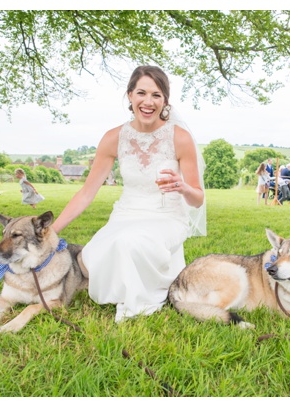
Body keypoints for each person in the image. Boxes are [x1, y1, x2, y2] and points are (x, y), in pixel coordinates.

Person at [51, 66, 205, 323]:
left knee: (128, 244)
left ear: (165, 100)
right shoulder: (113, 138)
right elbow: (87, 192)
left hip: (166, 217)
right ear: (130, 95)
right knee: (88, 261)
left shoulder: (180, 138)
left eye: (156, 95)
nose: (148, 102)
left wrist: (183, 187)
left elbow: (198, 198)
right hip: (126, 214)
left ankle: (142, 295)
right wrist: (51, 231)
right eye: (141, 93)